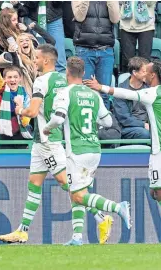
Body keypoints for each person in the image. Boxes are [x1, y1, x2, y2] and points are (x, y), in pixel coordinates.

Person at [87, 60, 161, 243]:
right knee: (157, 192)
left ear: (153, 75)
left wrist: (100, 87)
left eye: (147, 71)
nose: (144, 73)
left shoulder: (152, 93)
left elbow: (126, 93)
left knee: (160, 193)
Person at [43, 57, 131, 246]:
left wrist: (47, 128)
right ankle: (77, 237)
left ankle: (117, 208)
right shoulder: (93, 95)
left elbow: (58, 119)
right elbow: (107, 122)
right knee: (78, 191)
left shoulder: (65, 93)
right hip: (94, 148)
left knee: (78, 195)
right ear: (83, 73)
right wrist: (92, 122)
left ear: (67, 72)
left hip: (77, 150)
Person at [0, 44, 70, 244]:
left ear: (46, 60)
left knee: (66, 182)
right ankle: (22, 230)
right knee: (34, 184)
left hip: (47, 141)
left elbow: (32, 111)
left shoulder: (41, 82)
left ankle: (102, 213)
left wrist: (20, 108)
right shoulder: (62, 80)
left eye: (36, 58)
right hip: (42, 141)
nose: (34, 60)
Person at [72, 1, 120, 109]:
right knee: (85, 92)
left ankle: (104, 124)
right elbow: (79, 17)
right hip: (84, 50)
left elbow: (115, 19)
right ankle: (87, 124)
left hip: (106, 50)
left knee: (104, 92)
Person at [0, 57, 32, 149]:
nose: (13, 80)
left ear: (20, 78)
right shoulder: (2, 90)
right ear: (5, 79)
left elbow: (27, 117)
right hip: (5, 133)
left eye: (15, 77)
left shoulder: (24, 94)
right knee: (5, 161)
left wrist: (20, 107)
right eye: (9, 77)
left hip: (21, 133)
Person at [113, 57, 150, 139]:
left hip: (148, 125)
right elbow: (124, 119)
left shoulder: (149, 88)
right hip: (128, 128)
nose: (147, 74)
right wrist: (143, 125)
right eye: (144, 71)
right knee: (145, 133)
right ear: (135, 72)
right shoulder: (121, 90)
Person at [119, 1, 157, 73]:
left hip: (147, 25)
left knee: (145, 60)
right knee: (127, 61)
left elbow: (151, 2)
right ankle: (128, 82)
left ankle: (145, 83)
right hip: (126, 24)